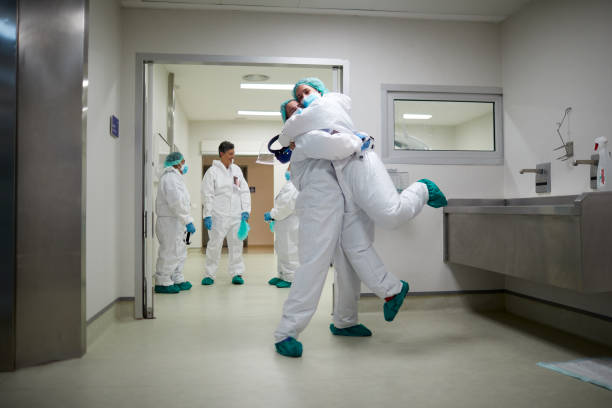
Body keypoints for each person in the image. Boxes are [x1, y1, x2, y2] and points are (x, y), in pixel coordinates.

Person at [201, 141, 251, 285]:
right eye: (230, 154)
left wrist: (245, 210)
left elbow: (244, 191)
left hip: (236, 215)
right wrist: (207, 214)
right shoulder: (212, 172)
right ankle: (209, 274)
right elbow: (207, 194)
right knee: (214, 245)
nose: (232, 157)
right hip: (218, 215)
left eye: (233, 154)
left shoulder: (236, 170)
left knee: (236, 244)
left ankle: (237, 273)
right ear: (221, 154)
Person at [154, 152, 195, 294]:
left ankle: (176, 277)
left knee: (179, 251)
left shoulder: (176, 178)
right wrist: (188, 220)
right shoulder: (170, 178)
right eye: (183, 162)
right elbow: (176, 202)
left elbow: (183, 201)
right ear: (177, 163)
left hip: (177, 221)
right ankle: (163, 281)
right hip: (169, 221)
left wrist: (186, 219)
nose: (184, 165)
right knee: (170, 251)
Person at [265, 168, 299, 289]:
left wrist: (272, 214)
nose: (287, 171)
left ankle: (291, 277)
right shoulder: (289, 184)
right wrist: (274, 215)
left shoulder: (295, 186)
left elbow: (286, 207)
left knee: (289, 251)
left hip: (290, 224)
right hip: (283, 223)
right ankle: (282, 274)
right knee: (281, 249)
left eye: (290, 168)